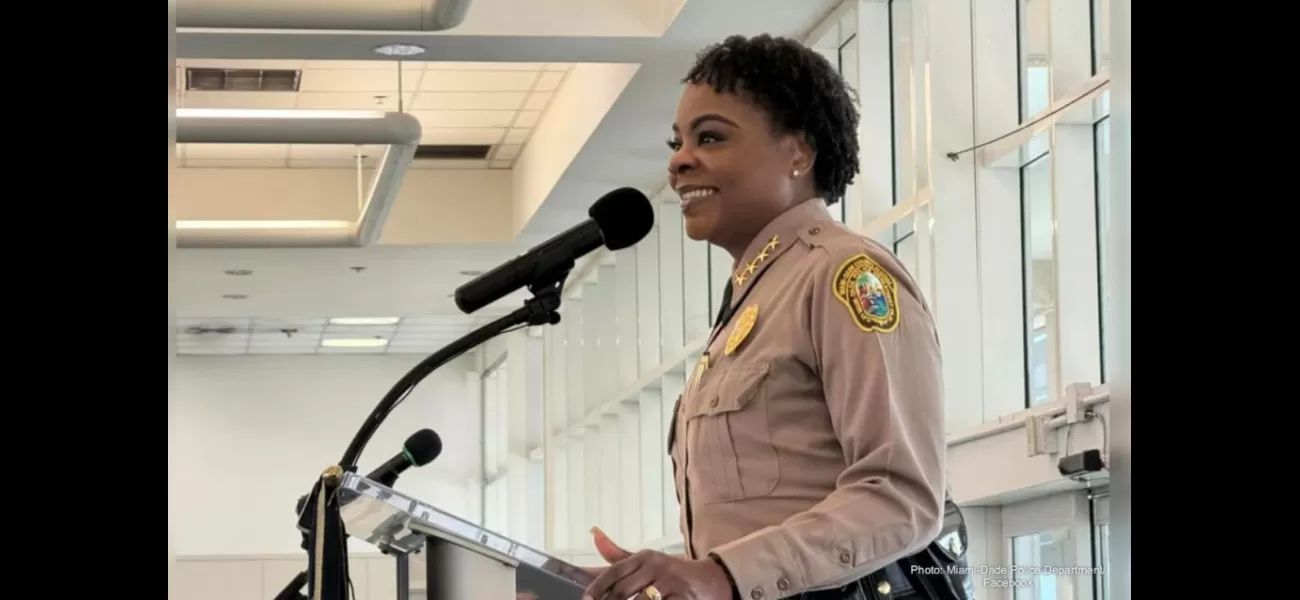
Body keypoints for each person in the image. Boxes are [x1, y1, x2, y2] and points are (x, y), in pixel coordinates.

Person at [582, 34, 974, 600]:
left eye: (710, 137)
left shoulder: (845, 275)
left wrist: (722, 574)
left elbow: (901, 495)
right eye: (678, 142)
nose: (678, 161)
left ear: (798, 154)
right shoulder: (753, 302)